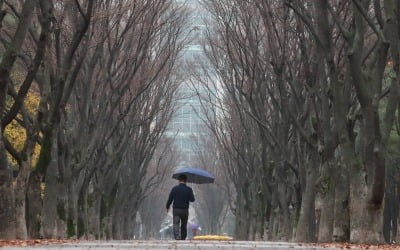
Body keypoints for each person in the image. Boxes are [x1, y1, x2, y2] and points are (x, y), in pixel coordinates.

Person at [166, 174, 195, 240]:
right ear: (186, 181)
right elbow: (192, 199)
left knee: (176, 223)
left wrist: (167, 206)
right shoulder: (189, 189)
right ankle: (183, 238)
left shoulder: (175, 189)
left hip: (176, 209)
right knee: (184, 225)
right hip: (185, 210)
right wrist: (191, 194)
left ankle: (177, 236)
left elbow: (170, 199)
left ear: (179, 180)